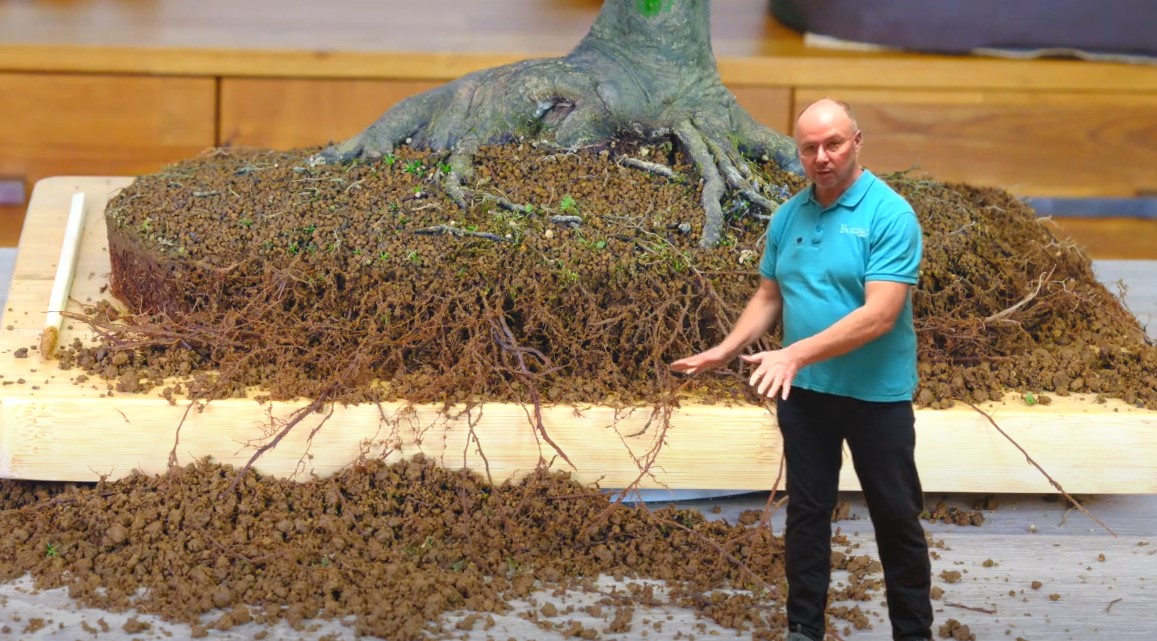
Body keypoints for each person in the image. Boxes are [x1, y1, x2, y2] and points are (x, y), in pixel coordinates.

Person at [671, 98, 932, 641]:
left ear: (857, 141)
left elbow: (880, 314)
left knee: (896, 518)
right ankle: (803, 630)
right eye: (809, 148)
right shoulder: (788, 214)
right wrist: (725, 349)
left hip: (875, 398)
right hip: (806, 395)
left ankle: (913, 633)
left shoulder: (889, 215)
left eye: (833, 143)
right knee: (808, 516)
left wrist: (793, 353)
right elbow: (769, 295)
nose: (822, 157)